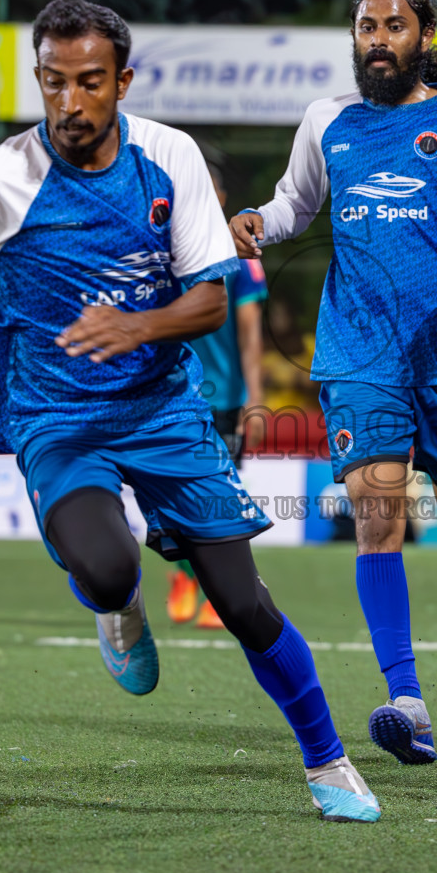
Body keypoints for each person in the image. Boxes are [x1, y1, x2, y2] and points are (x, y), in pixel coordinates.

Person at [0, 0, 379, 823]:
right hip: (56, 420)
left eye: (89, 82)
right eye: (53, 83)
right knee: (107, 568)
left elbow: (212, 299)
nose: (70, 102)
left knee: (242, 604)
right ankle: (119, 609)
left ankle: (329, 761)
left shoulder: (171, 159)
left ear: (122, 81)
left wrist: (135, 324)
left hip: (163, 413)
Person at [229, 0, 437, 764]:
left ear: (423, 38)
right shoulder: (325, 121)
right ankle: (407, 699)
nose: (376, 39)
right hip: (358, 350)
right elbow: (295, 204)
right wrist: (259, 224)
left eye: (393, 26)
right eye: (366, 26)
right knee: (378, 512)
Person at [168, 162, 267, 631]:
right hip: (172, 392)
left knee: (218, 499)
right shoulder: (163, 246)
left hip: (225, 397)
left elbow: (250, 335)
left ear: (222, 198)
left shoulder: (243, 257)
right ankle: (185, 578)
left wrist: (257, 395)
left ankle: (214, 590)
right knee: (175, 492)